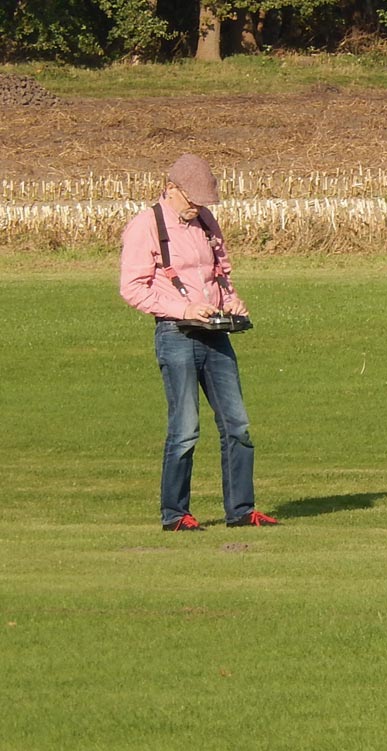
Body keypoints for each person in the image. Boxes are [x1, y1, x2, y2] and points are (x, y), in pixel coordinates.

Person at [119, 153, 277, 532]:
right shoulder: (145, 227)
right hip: (176, 335)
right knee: (185, 429)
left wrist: (231, 302)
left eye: (203, 203)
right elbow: (132, 289)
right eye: (192, 202)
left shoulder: (206, 222)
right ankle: (175, 514)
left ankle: (241, 510)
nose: (197, 209)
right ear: (171, 189)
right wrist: (185, 309)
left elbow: (221, 273)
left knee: (238, 425)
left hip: (215, 336)